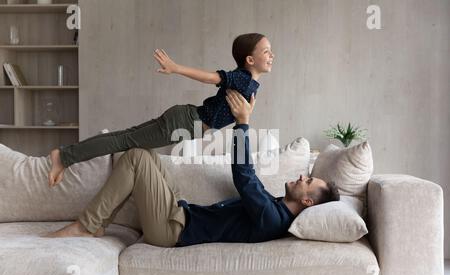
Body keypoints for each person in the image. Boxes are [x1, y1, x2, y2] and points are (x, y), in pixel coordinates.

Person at [46, 90, 340, 245]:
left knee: (135, 158)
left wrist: (243, 123)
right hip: (179, 212)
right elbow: (250, 182)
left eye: (309, 179)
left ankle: (86, 226)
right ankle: (97, 224)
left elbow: (244, 176)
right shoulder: (274, 207)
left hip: (171, 230)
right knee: (142, 153)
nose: (303, 175)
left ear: (307, 200)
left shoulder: (272, 218)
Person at [48, 33, 275, 187]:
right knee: (122, 141)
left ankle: (66, 155)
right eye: (266, 51)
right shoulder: (242, 78)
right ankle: (64, 156)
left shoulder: (250, 84)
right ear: (249, 59)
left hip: (184, 118)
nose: (271, 55)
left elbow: (236, 113)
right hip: (184, 122)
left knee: (124, 137)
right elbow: (211, 77)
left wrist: (245, 115)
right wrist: (176, 68)